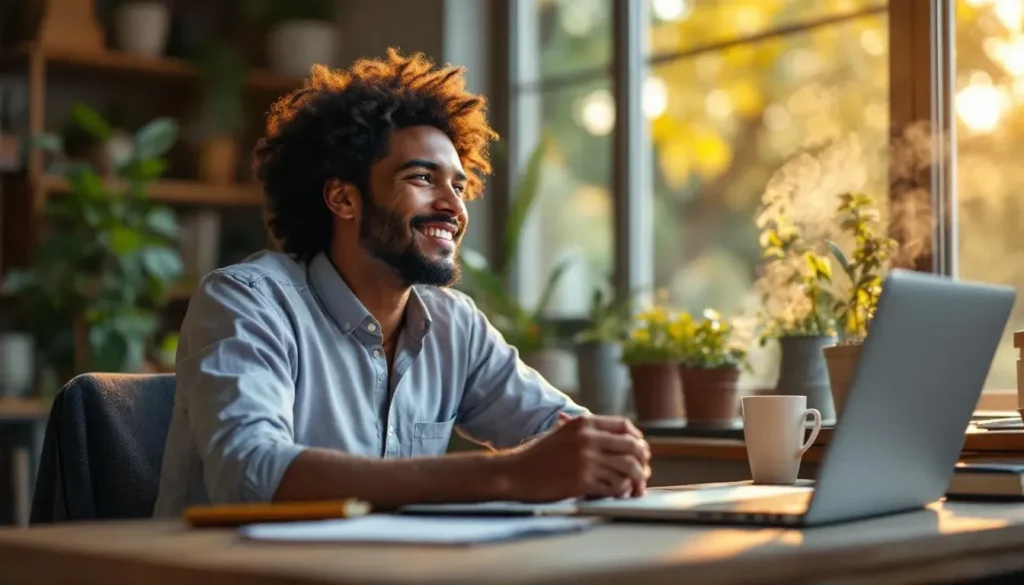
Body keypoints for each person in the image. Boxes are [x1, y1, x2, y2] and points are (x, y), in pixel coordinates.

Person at [152, 49, 650, 517]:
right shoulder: (247, 301)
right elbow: (252, 473)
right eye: (422, 179)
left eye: (458, 185)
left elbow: (560, 432)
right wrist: (505, 475)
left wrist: (601, 453)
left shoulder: (455, 325)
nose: (453, 206)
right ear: (344, 199)